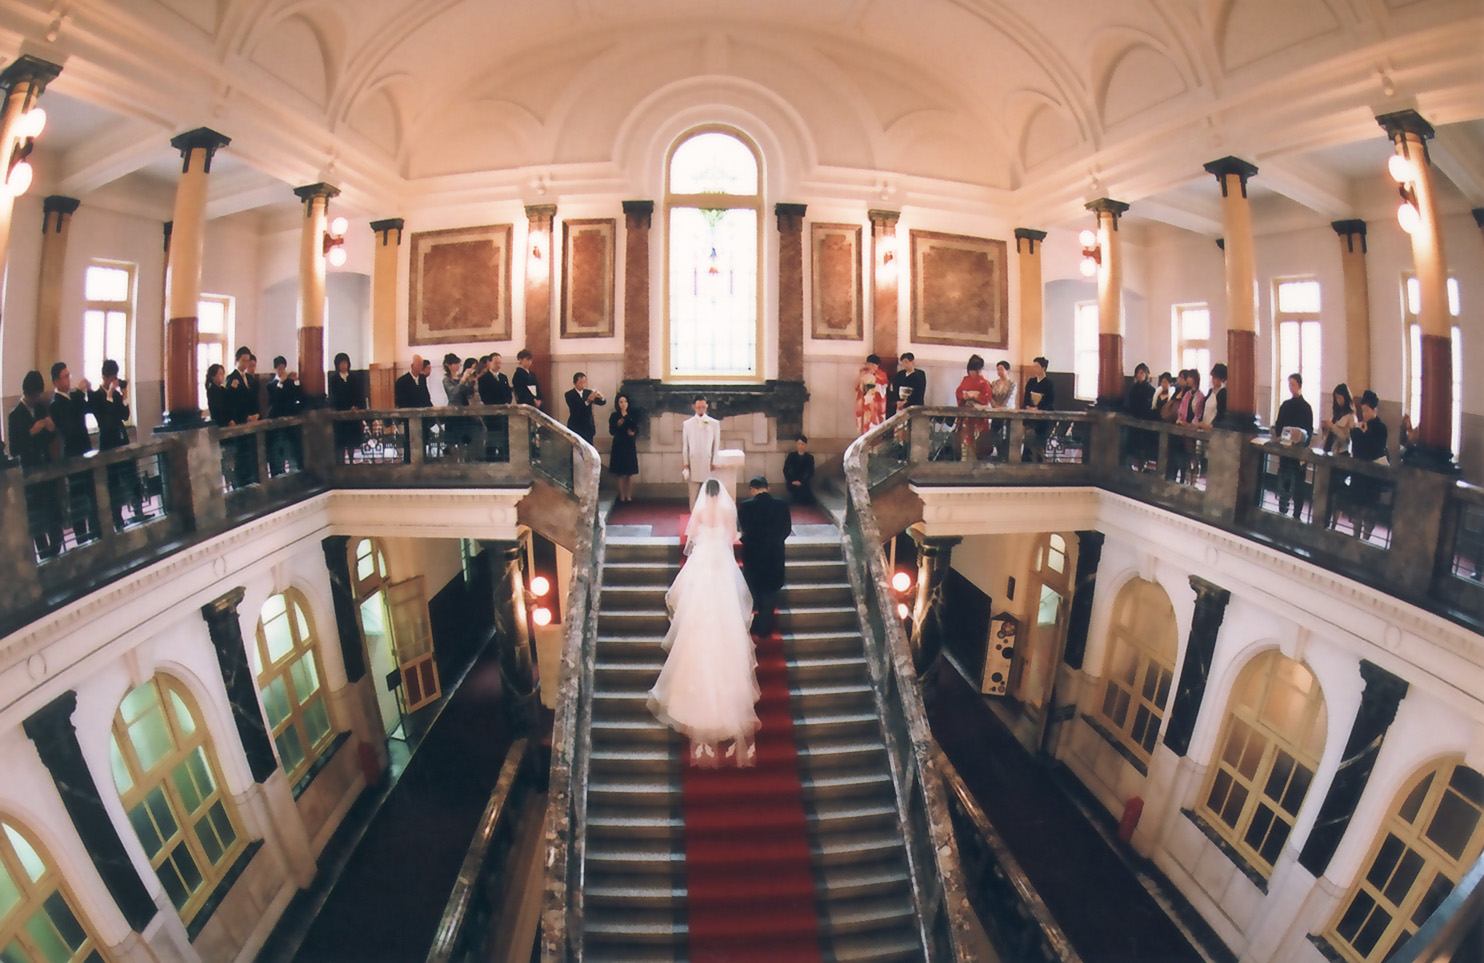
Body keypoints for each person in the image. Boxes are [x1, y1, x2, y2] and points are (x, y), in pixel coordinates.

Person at [647, 478, 760, 766]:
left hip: (704, 564)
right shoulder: (726, 511)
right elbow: (733, 536)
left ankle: (694, 711)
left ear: (703, 495)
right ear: (720, 494)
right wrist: (718, 543)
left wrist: (704, 545)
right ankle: (727, 713)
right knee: (726, 616)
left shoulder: (699, 512)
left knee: (696, 618)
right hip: (721, 565)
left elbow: (692, 537)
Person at [10, 370, 62, 557]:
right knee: (37, 512)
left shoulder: (40, 408)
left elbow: (49, 438)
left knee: (52, 507)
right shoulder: (15, 416)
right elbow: (15, 448)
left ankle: (57, 546)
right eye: (34, 395)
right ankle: (43, 551)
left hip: (45, 465)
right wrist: (30, 432)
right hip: (30, 469)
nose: (36, 398)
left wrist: (50, 429)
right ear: (27, 393)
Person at [737, 475, 792, 637]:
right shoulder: (781, 505)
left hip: (753, 554)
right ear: (767, 488)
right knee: (769, 591)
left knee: (752, 590)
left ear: (752, 490)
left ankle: (748, 626)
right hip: (774, 554)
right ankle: (764, 628)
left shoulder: (746, 507)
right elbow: (786, 529)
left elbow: (744, 528)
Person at [48, 362, 97, 543]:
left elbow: (89, 409)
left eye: (69, 375)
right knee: (77, 500)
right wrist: (78, 393)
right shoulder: (56, 404)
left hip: (85, 450)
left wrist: (89, 391)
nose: (69, 379)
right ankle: (82, 538)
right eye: (65, 376)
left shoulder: (72, 398)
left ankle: (95, 533)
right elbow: (69, 427)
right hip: (73, 454)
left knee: (92, 495)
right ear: (56, 381)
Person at [91, 360, 142, 527]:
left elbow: (125, 415)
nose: (114, 381)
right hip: (108, 442)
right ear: (104, 377)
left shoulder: (117, 394)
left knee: (131, 476)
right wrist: (109, 394)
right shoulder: (96, 396)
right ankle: (117, 519)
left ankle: (138, 510)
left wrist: (124, 394)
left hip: (122, 439)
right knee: (113, 483)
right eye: (111, 378)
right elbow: (104, 419)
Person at [1346, 389, 1390, 540]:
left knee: (1369, 510)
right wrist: (1358, 433)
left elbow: (1376, 449)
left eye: (1366, 410)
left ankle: (1365, 539)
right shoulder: (1360, 426)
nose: (1364, 414)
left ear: (1374, 409)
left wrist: (1365, 435)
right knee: (1357, 508)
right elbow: (1356, 449)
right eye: (1362, 411)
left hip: (1372, 477)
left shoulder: (1381, 428)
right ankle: (1355, 537)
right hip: (1359, 475)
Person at [1272, 373, 1314, 518]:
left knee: (1298, 483)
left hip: (1298, 452)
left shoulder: (1306, 407)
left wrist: (1302, 441)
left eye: (1293, 384)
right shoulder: (1285, 405)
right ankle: (1282, 509)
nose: (1291, 387)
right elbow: (1279, 424)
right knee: (1284, 480)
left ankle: (1297, 514)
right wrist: (1279, 436)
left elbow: (1308, 430)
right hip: (1285, 450)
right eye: (1289, 384)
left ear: (1300, 385)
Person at [680, 394, 720, 505]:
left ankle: (707, 515)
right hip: (693, 461)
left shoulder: (714, 423)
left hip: (707, 461)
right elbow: (685, 445)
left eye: (703, 407)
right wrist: (685, 463)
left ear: (707, 406)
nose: (701, 409)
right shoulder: (687, 424)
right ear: (693, 407)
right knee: (693, 493)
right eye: (698, 407)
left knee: (708, 492)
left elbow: (716, 444)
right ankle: (694, 514)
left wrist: (715, 461)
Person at [955, 354, 993, 461]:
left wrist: (974, 396)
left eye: (974, 370)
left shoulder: (984, 383)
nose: (972, 373)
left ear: (979, 370)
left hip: (978, 416)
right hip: (966, 414)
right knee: (964, 440)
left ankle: (975, 460)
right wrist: (964, 396)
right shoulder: (965, 380)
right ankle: (965, 459)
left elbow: (986, 397)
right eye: (970, 370)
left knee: (977, 441)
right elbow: (958, 392)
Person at [1022, 356, 1056, 462]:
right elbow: (1027, 396)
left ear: (1043, 368)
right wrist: (1028, 406)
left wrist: (1038, 407)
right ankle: (1027, 457)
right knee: (1028, 434)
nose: (1035, 369)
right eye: (1034, 367)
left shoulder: (1049, 384)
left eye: (1037, 367)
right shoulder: (1031, 381)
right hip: (1030, 412)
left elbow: (1049, 399)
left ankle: (1039, 456)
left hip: (1042, 416)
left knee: (1039, 438)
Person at [608, 393, 639, 502]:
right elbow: (611, 431)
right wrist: (618, 424)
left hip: (629, 444)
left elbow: (636, 428)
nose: (623, 404)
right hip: (619, 445)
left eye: (625, 402)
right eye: (621, 402)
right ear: (617, 403)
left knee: (630, 473)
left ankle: (628, 495)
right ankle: (621, 495)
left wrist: (633, 433)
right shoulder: (614, 416)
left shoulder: (632, 415)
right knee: (620, 473)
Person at [564, 372, 606, 444]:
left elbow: (601, 403)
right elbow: (576, 408)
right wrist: (588, 401)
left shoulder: (588, 392)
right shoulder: (569, 394)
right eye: (580, 383)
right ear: (574, 383)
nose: (583, 385)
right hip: (575, 427)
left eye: (584, 383)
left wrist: (601, 397)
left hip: (588, 427)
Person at [225, 347, 260, 424]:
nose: (245, 364)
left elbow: (254, 398)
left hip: (252, 419)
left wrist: (256, 413)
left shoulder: (250, 378)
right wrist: (245, 416)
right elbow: (231, 401)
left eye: (247, 361)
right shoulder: (231, 378)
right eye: (243, 361)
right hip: (239, 420)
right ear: (236, 360)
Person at [854, 354, 888, 434]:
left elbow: (883, 385)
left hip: (876, 404)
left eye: (872, 365)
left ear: (877, 365)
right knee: (863, 424)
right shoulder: (864, 373)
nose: (870, 366)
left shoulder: (881, 374)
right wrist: (860, 374)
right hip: (864, 404)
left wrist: (873, 374)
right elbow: (856, 386)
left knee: (875, 425)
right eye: (868, 364)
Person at [1320, 383, 1356, 454]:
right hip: (1330, 449)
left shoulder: (1351, 417)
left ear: (1345, 398)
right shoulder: (1336, 414)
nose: (1337, 400)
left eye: (1339, 398)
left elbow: (1346, 439)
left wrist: (1333, 427)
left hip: (1342, 452)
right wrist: (1325, 427)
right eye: (1336, 398)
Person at [783, 434, 816, 505]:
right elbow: (787, 469)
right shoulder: (791, 456)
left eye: (802, 444)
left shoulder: (809, 458)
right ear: (796, 444)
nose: (800, 446)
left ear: (805, 445)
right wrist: (792, 480)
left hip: (804, 483)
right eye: (798, 444)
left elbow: (810, 471)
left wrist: (801, 481)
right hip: (792, 482)